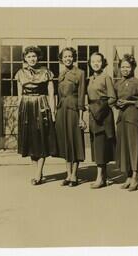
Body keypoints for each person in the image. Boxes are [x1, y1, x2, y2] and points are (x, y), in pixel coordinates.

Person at [15, 46, 57, 185]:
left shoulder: (46, 72)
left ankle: (38, 173)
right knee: (30, 140)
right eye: (29, 57)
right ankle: (36, 172)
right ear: (25, 59)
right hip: (26, 107)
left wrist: (52, 111)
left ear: (38, 57)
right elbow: (19, 95)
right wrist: (18, 112)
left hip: (41, 105)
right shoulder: (20, 73)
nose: (32, 59)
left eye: (34, 56)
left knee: (41, 139)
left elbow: (51, 94)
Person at [114, 54, 138, 191]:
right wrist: (117, 104)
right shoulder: (117, 84)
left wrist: (130, 102)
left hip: (133, 117)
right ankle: (128, 176)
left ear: (133, 67)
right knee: (124, 147)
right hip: (122, 117)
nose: (125, 69)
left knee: (134, 146)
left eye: (128, 67)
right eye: (122, 67)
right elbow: (115, 101)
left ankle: (135, 177)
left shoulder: (137, 83)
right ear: (119, 68)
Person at [55, 47, 86, 187]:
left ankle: (74, 175)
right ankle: (68, 174)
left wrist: (81, 117)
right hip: (62, 111)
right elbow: (58, 95)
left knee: (75, 140)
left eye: (70, 56)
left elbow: (81, 97)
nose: (68, 59)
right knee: (66, 141)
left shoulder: (80, 73)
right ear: (62, 59)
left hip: (74, 110)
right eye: (65, 56)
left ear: (74, 58)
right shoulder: (61, 74)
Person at [87, 52, 116, 189]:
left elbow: (112, 98)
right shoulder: (91, 78)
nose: (96, 64)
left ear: (103, 62)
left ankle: (100, 178)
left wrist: (101, 109)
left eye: (98, 61)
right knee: (97, 145)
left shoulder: (106, 77)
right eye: (93, 61)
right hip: (93, 114)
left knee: (101, 145)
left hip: (103, 114)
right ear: (90, 63)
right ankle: (104, 176)